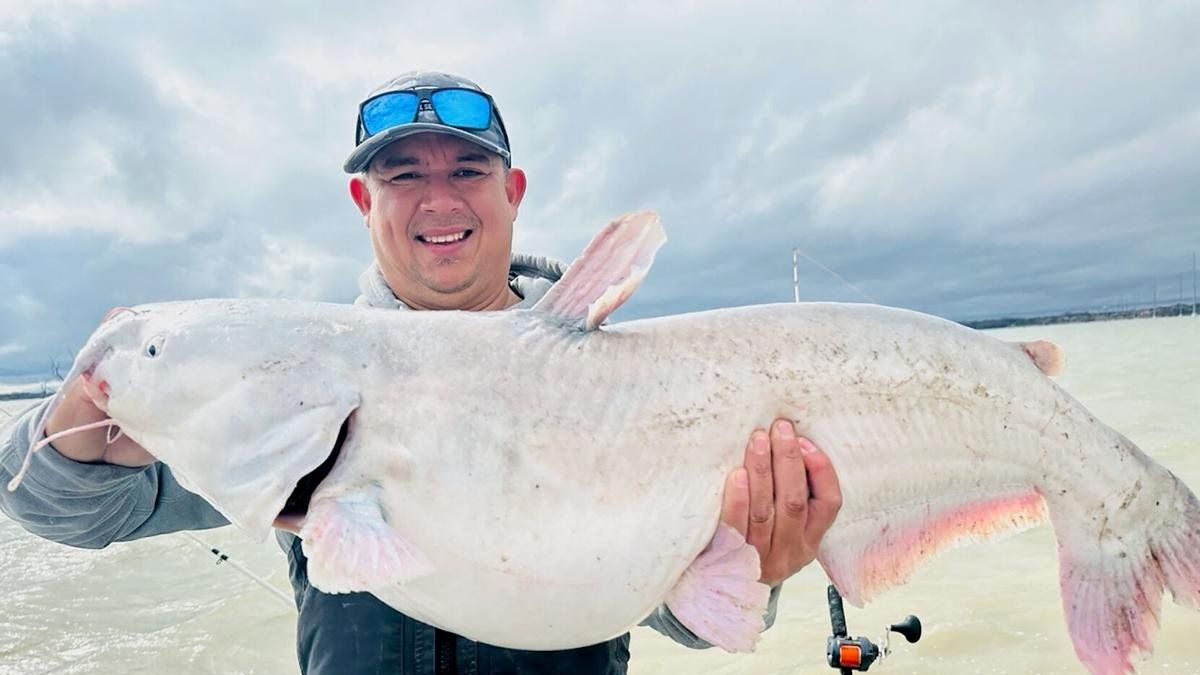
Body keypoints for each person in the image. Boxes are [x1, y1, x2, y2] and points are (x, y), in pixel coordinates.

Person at [0, 71, 842, 675]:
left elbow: (683, 614)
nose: (439, 201)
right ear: (365, 203)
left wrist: (761, 562)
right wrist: (76, 417)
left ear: (513, 192)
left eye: (467, 171)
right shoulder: (293, 385)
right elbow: (62, 511)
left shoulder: (623, 380)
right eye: (403, 175)